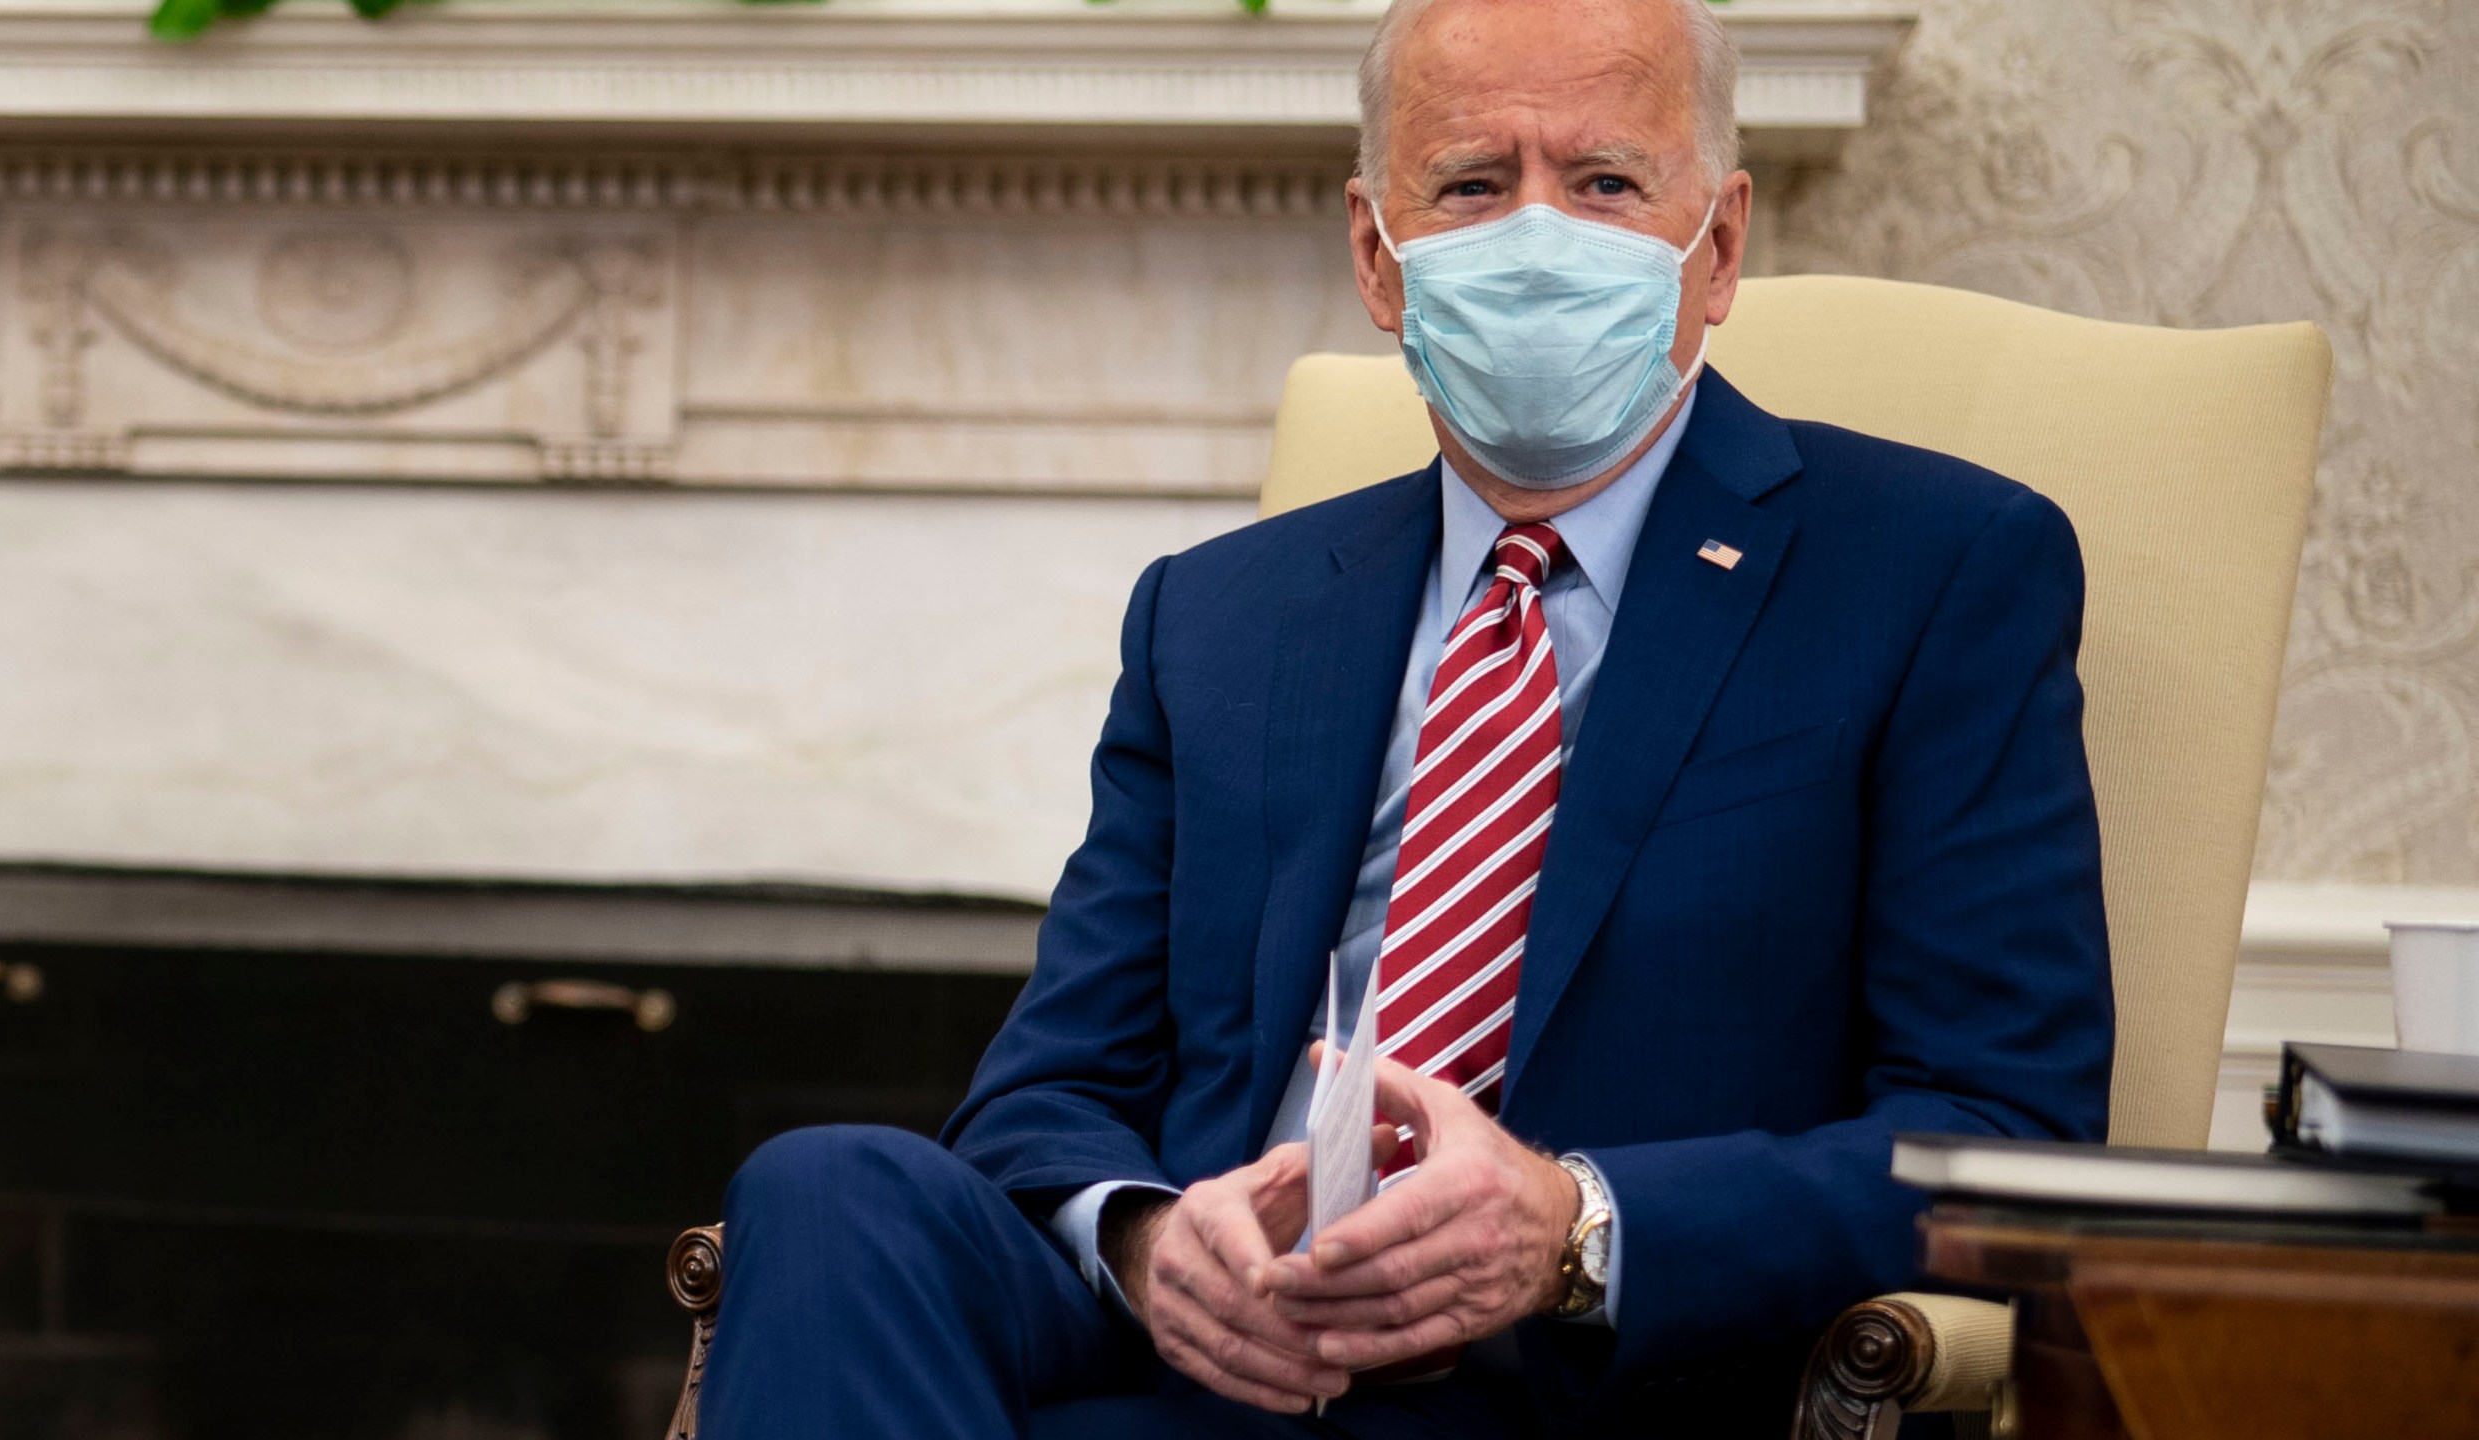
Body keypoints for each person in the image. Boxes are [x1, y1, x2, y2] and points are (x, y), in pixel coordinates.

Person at [694, 0, 2114, 1433]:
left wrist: (1576, 1228)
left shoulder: (1934, 569)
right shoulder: (1219, 611)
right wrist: (1150, 1242)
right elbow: (1045, 1092)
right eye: (1474, 186)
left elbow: (2005, 1140)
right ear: (1380, 257)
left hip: (1576, 1379)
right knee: (824, 1189)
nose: (1539, 236)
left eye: (1606, 181)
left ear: (1722, 244)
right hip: (1210, 1361)